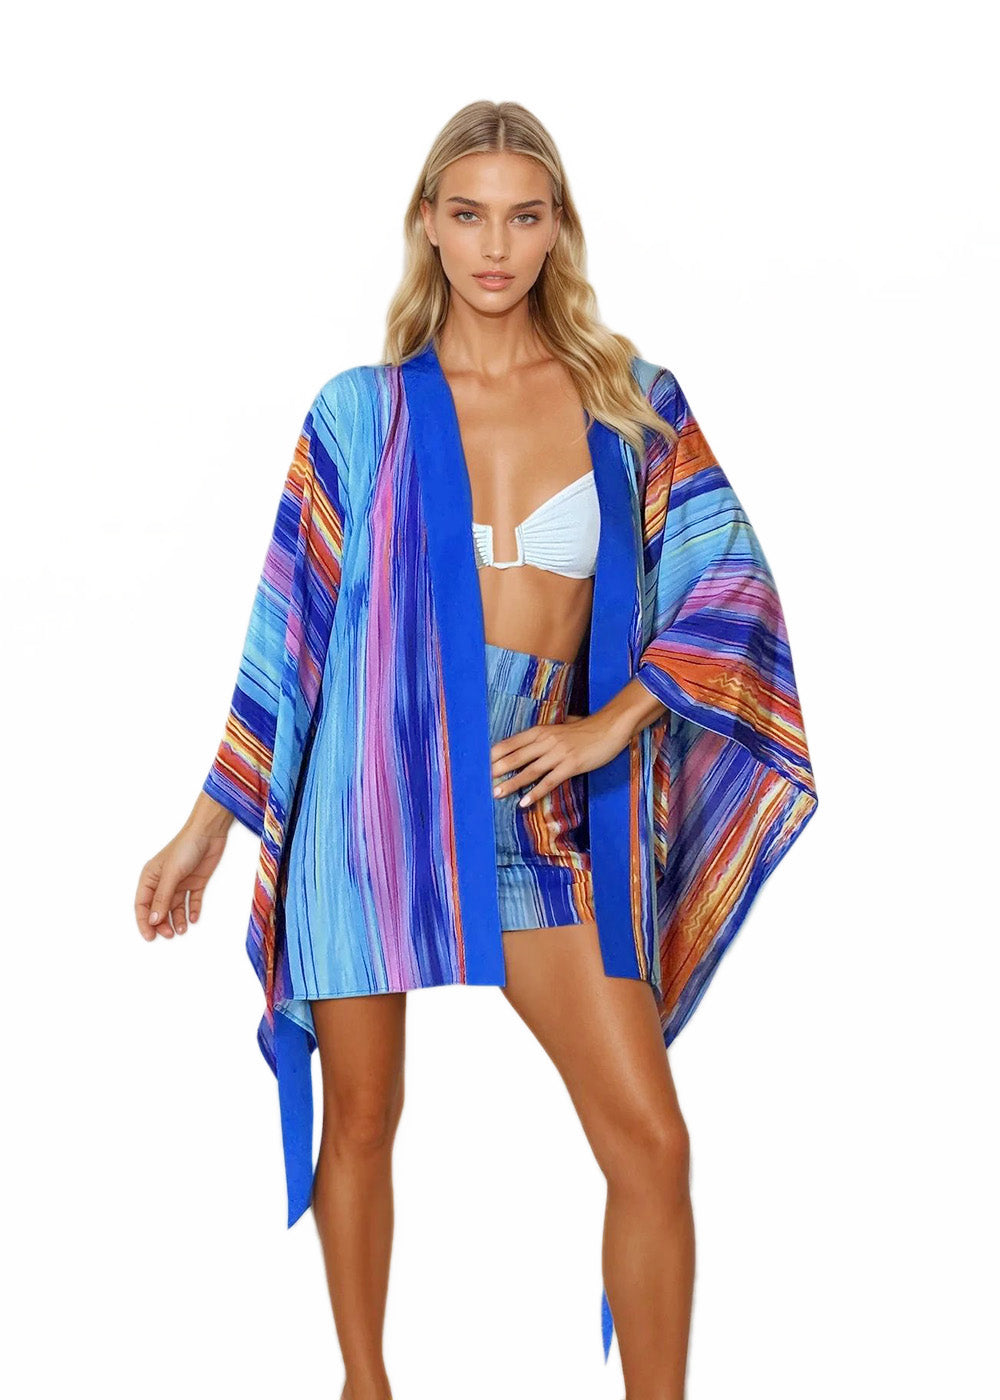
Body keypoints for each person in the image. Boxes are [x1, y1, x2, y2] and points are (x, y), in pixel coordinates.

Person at [134, 99, 818, 1400]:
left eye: (523, 215)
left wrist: (613, 720)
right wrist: (206, 826)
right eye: (468, 215)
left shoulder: (631, 404)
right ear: (429, 227)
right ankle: (365, 1385)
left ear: (558, 229)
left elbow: (729, 581)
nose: (495, 246)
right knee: (364, 1120)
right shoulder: (360, 413)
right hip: (373, 800)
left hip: (540, 811)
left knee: (652, 1145)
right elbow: (290, 629)